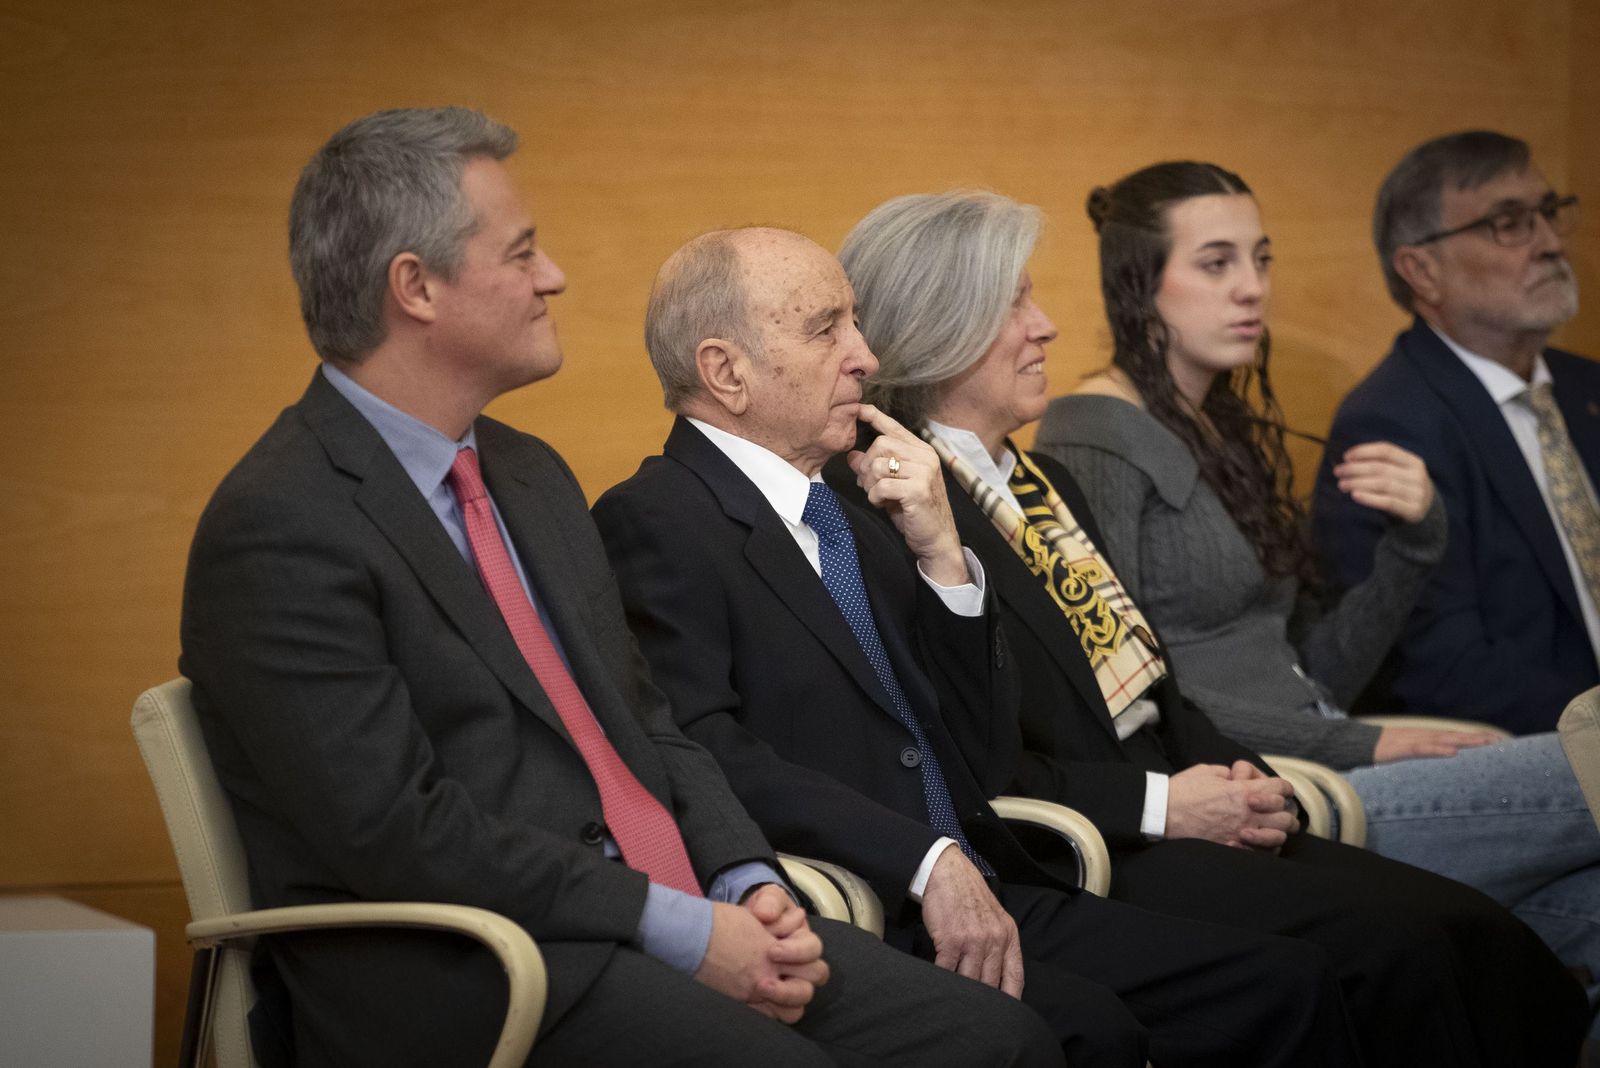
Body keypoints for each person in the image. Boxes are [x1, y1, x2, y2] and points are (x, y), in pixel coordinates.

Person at [179, 107, 1068, 1068]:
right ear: (416, 287)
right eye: (521, 252)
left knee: (1003, 1040)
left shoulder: (528, 474)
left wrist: (740, 878)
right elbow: (396, 832)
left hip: (663, 918)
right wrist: (680, 926)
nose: (552, 274)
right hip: (479, 966)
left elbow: (650, 721)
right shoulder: (281, 523)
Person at [833, 188, 1589, 1067]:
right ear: (939, 327)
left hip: (1183, 798)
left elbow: (1160, 686)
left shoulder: (1045, 487)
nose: (1045, 328)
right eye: (1013, 306)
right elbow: (971, 753)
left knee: (1475, 932)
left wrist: (1249, 779)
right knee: (1403, 951)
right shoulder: (894, 508)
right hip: (1089, 837)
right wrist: (1169, 802)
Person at [594, 226, 1362, 1068]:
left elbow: (981, 746)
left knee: (1285, 982)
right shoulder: (656, 517)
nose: (863, 354)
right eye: (826, 329)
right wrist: (922, 860)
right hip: (865, 907)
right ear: (725, 371)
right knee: (1092, 1031)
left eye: (855, 322)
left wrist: (943, 558)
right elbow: (708, 751)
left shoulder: (856, 509)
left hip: (994, 871)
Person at [1033, 161, 1600, 1030]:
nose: (1252, 289)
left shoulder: (1226, 426)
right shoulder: (1094, 434)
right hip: (1263, 795)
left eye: (1260, 259)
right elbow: (1137, 696)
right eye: (1217, 264)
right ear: (1139, 285)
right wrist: (1369, 743)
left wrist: (1416, 542)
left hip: (1324, 758)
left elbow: (1318, 666)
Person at [1313, 130, 1600, 734]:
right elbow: (1441, 669)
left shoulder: (1585, 388)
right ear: (1422, 270)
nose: (1549, 243)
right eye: (1509, 223)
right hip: (1540, 757)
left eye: (1548, 213)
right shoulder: (1389, 423)